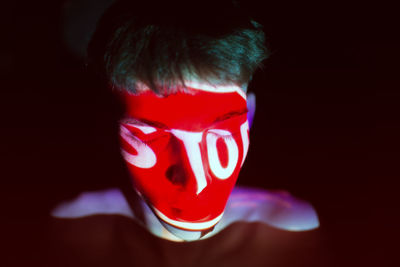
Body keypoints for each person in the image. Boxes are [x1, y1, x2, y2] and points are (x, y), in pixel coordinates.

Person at [48, 0, 320, 265]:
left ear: (248, 118)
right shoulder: (73, 232)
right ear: (110, 125)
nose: (195, 182)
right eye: (152, 138)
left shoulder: (289, 234)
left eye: (220, 134)